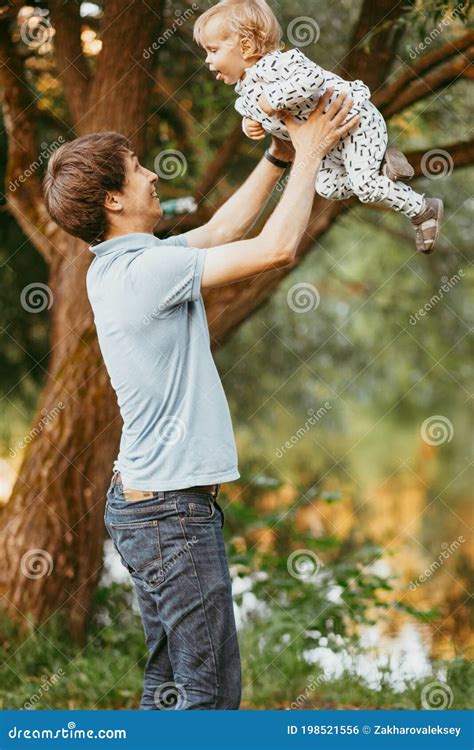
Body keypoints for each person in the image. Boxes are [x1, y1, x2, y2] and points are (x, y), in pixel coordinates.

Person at [42, 91, 359, 709]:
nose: (152, 173)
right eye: (136, 169)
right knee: (209, 694)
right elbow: (275, 249)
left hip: (151, 504)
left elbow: (220, 231)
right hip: (168, 514)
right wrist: (314, 155)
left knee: (171, 688)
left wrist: (276, 156)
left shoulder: (123, 263)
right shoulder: (144, 272)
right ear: (112, 199)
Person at [194, 0, 444, 254]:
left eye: (213, 50)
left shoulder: (277, 65)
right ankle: (380, 169)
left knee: (365, 187)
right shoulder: (246, 91)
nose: (207, 59)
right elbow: (255, 112)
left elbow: (312, 79)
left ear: (246, 47)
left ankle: (423, 209)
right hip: (330, 146)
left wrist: (273, 99)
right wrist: (250, 124)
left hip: (355, 125)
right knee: (326, 187)